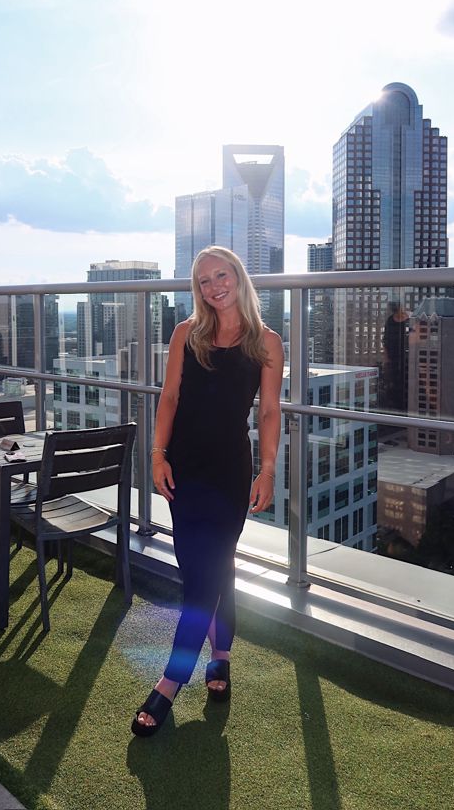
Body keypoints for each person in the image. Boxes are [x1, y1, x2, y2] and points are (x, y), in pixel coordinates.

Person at [131, 246, 283, 736]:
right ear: (196, 289)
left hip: (229, 473)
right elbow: (170, 397)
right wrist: (157, 455)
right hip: (183, 469)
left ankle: (171, 681)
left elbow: (270, 412)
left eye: (222, 275)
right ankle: (221, 657)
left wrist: (268, 470)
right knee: (211, 571)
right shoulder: (186, 334)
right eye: (203, 281)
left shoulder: (266, 342)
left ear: (238, 277)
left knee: (202, 582)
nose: (214, 286)